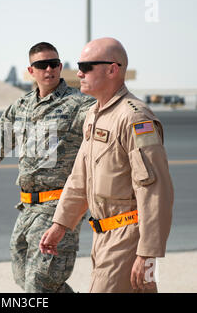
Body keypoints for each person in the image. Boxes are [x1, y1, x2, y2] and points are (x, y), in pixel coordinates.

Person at [0, 42, 96, 293]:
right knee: (25, 277)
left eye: (54, 64)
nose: (49, 69)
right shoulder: (21, 107)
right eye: (41, 65)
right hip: (27, 207)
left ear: (60, 67)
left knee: (39, 285)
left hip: (58, 207)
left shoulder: (79, 104)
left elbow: (107, 131)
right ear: (31, 70)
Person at [39, 37, 174, 293]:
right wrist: (60, 225)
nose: (79, 72)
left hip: (129, 238)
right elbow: (80, 177)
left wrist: (147, 253)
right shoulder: (94, 114)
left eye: (86, 66)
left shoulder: (135, 117)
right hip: (103, 235)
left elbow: (156, 190)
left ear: (112, 69)